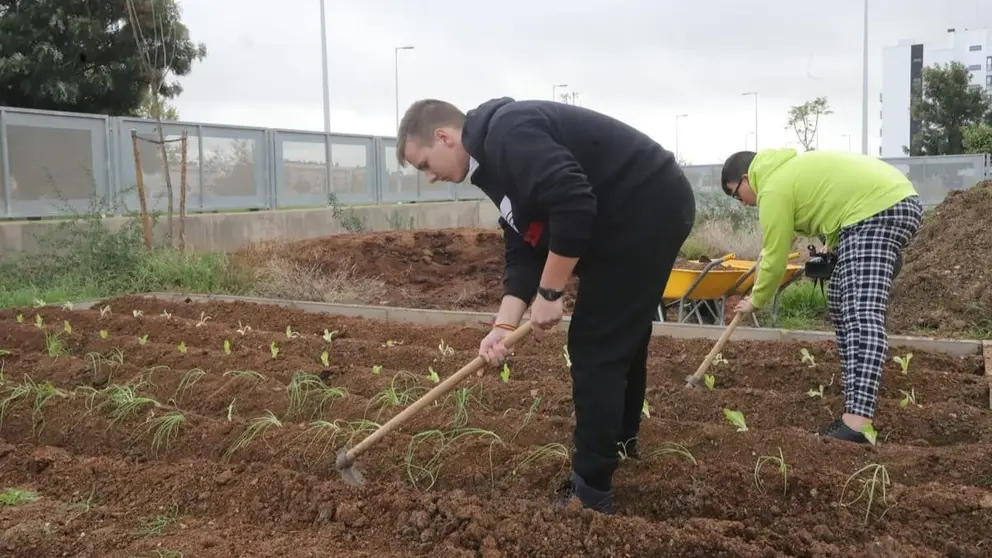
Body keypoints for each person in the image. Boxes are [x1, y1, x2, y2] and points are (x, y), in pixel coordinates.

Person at [396, 97, 696, 514]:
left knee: (596, 345)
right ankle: (621, 444)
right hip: (632, 215)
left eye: (425, 164)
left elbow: (572, 202)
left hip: (642, 210)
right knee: (621, 335)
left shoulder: (507, 133)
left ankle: (591, 494)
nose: (429, 177)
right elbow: (525, 242)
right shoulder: (491, 162)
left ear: (443, 136)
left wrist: (550, 293)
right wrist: (502, 327)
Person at [720, 148, 923, 444]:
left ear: (746, 178)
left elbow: (775, 256)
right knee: (840, 299)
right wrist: (832, 243)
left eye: (736, 194)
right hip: (877, 210)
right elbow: (834, 202)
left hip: (878, 212)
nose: (741, 203)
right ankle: (855, 399)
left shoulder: (773, 187)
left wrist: (757, 299)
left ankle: (857, 424)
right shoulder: (787, 174)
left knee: (860, 311)